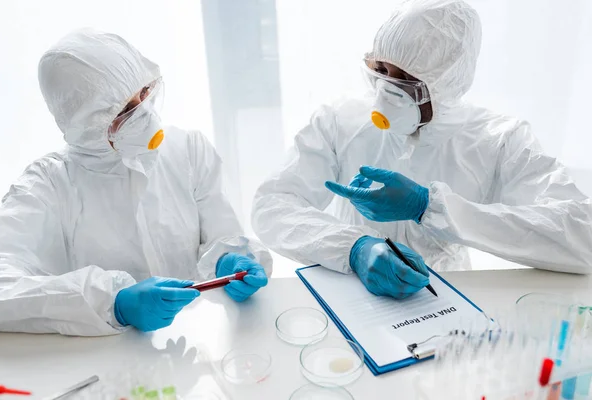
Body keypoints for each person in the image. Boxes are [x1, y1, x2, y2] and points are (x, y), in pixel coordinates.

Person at [252, 0, 592, 299]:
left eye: (406, 81)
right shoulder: (339, 121)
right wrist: (352, 248)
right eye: (381, 70)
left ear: (445, 84)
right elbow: (272, 205)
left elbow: (582, 236)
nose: (385, 91)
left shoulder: (498, 140)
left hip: (444, 296)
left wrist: (433, 208)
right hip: (349, 289)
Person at [0, 29, 272, 336]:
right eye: (124, 110)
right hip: (104, 354)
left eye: (144, 92)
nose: (145, 114)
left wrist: (226, 260)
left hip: (199, 339)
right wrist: (113, 303)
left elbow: (222, 234)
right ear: (82, 123)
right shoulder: (48, 184)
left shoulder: (188, 149)